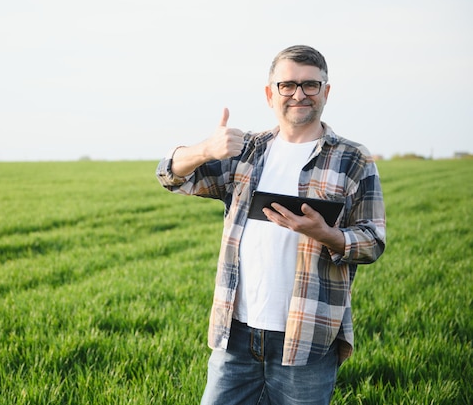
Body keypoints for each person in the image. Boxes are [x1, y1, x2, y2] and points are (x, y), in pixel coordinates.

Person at [156, 45, 386, 405]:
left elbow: (372, 241)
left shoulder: (353, 160)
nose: (299, 94)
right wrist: (205, 149)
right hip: (236, 333)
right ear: (269, 94)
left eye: (311, 85)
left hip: (308, 338)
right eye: (287, 85)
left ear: (326, 92)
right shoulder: (245, 151)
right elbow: (169, 175)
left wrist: (324, 234)